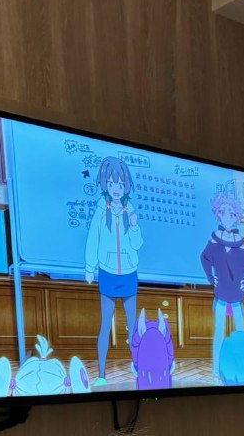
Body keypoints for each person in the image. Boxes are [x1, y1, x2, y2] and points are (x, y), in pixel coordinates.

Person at [84, 157, 144, 386]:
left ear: (126, 185)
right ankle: (101, 375)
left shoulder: (130, 210)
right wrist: (90, 267)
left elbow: (137, 244)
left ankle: (138, 369)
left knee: (133, 325)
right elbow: (93, 238)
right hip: (107, 273)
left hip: (129, 273)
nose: (116, 188)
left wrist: (135, 226)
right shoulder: (101, 209)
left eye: (120, 184)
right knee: (105, 325)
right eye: (111, 183)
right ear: (105, 184)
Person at [200, 192, 244, 384]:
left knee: (240, 333)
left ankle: (243, 372)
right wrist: (211, 278)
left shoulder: (241, 244)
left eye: (231, 213)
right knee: (219, 333)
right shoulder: (214, 240)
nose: (227, 216)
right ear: (218, 214)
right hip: (221, 296)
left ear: (236, 216)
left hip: (237, 297)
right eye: (223, 212)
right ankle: (216, 372)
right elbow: (204, 258)